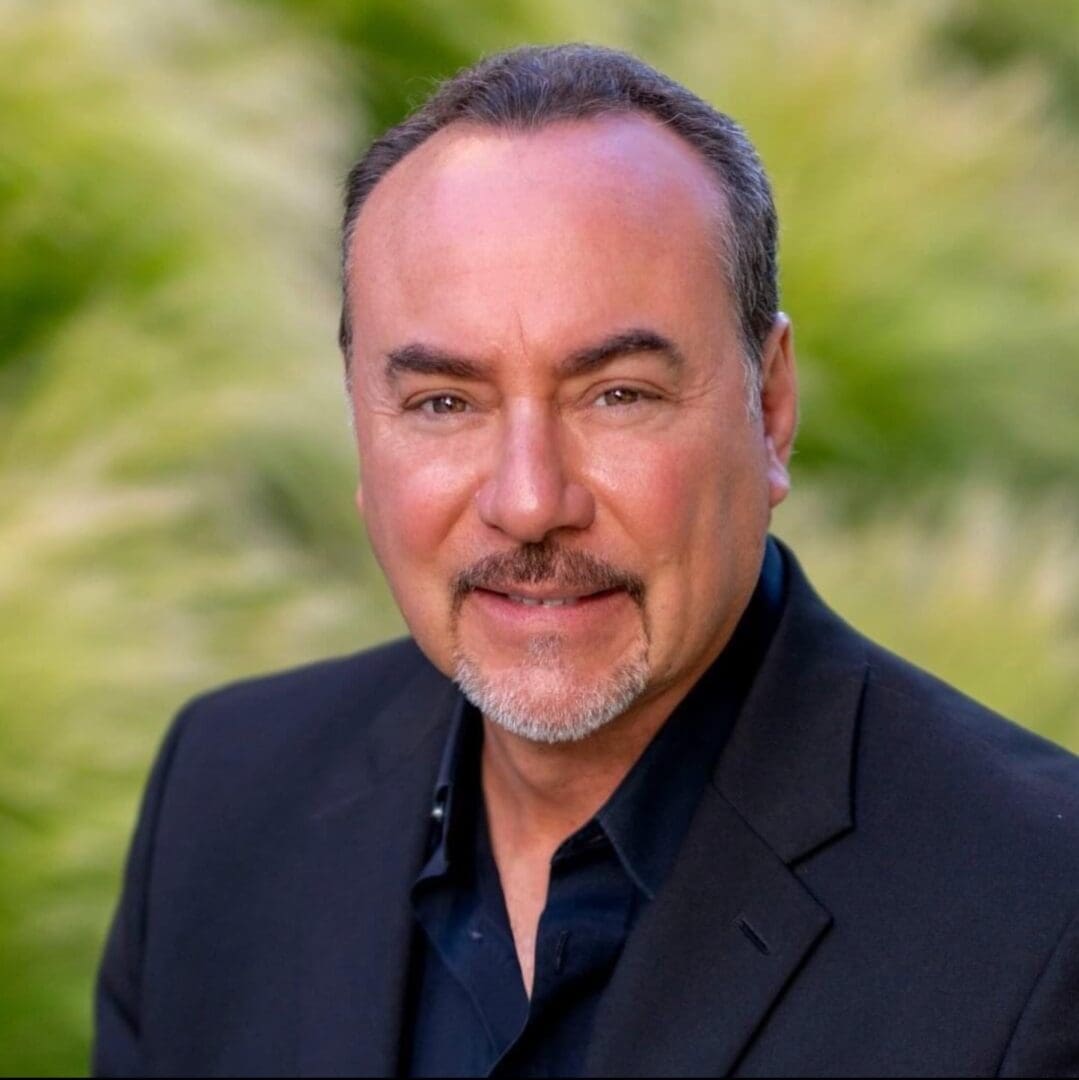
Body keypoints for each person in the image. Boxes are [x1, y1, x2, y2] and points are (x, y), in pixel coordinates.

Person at [93, 44, 1079, 1078]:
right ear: (360, 434)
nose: (529, 503)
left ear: (771, 407)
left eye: (617, 395)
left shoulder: (1041, 917)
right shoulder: (222, 798)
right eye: (444, 403)